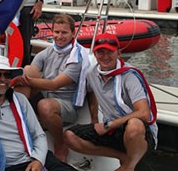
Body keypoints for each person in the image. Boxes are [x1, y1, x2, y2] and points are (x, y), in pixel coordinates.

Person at [0, 55, 76, 171]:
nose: (3, 79)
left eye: (7, 75)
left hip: (31, 157)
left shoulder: (20, 100)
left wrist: (38, 160)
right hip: (4, 166)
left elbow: (39, 135)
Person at [64, 33, 158, 171]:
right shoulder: (92, 73)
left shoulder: (129, 76)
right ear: (95, 54)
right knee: (70, 136)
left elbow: (144, 113)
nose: (105, 56)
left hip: (140, 133)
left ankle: (129, 166)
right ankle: (124, 158)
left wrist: (110, 124)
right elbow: (91, 91)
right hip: (112, 129)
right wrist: (95, 118)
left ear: (119, 53)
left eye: (110, 52)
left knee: (134, 125)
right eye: (100, 52)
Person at [13, 14, 89, 162]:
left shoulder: (76, 57)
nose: (59, 36)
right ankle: (18, 124)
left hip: (66, 105)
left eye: (64, 33)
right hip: (46, 95)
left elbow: (54, 84)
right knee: (28, 69)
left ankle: (60, 144)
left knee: (44, 105)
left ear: (73, 34)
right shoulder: (47, 52)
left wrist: (25, 80)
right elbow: (31, 72)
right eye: (56, 32)